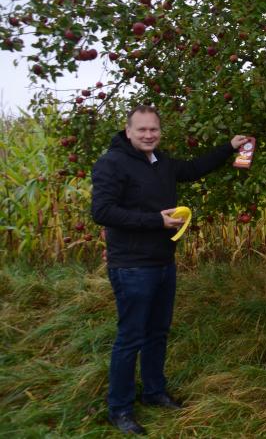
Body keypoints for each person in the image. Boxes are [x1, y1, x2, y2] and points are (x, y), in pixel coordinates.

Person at [91, 105, 249, 434]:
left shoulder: (160, 162)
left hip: (163, 261)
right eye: (142, 130)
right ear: (128, 129)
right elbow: (102, 211)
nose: (149, 135)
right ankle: (119, 408)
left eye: (154, 130)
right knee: (130, 337)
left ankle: (153, 392)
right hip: (132, 266)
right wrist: (155, 221)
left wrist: (229, 148)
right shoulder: (112, 163)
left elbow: (193, 169)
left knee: (157, 333)